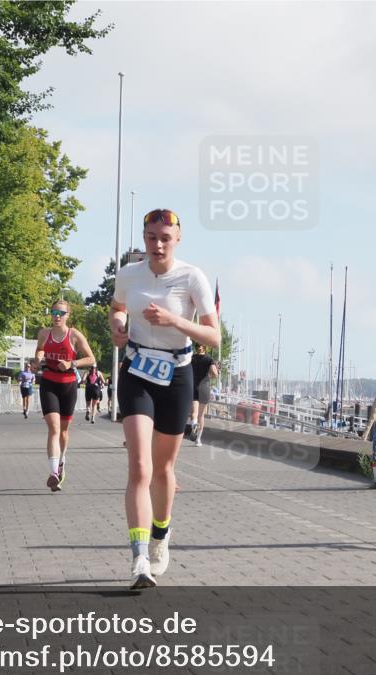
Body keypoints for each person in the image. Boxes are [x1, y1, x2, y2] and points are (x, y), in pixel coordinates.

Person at [109, 209, 219, 589]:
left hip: (177, 374)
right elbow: (118, 306)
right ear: (144, 238)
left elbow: (213, 336)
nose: (157, 245)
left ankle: (161, 534)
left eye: (164, 239)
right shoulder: (129, 274)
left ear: (177, 240)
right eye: (151, 237)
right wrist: (119, 327)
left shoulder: (192, 277)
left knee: (163, 470)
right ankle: (139, 559)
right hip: (137, 371)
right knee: (139, 467)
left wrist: (174, 322)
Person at [36, 299, 96, 491]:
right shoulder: (44, 334)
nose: (57, 316)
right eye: (54, 313)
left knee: (63, 430)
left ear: (68, 316)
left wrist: (72, 363)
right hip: (48, 383)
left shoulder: (74, 335)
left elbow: (91, 358)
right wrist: (38, 357)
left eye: (61, 313)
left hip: (68, 385)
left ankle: (61, 461)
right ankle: (53, 473)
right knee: (53, 428)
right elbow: (40, 350)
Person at [185, 344, 218, 446]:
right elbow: (215, 373)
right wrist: (210, 375)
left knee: (194, 413)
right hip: (204, 388)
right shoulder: (209, 359)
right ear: (205, 347)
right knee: (201, 415)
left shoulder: (192, 357)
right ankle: (198, 440)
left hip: (193, 387)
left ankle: (194, 423)